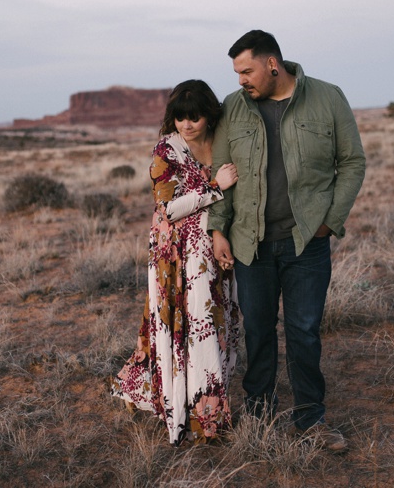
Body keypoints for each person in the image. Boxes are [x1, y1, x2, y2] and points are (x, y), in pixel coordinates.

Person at [209, 30, 366, 451]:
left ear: (272, 64)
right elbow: (222, 174)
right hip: (250, 243)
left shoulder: (327, 97)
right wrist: (218, 228)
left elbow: (352, 161)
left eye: (247, 70)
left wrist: (329, 221)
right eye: (237, 72)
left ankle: (310, 420)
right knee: (258, 331)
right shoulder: (233, 107)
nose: (241, 80)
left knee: (304, 331)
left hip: (306, 244)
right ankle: (259, 414)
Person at [111, 79, 241, 445]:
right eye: (180, 117)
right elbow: (168, 207)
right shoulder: (165, 150)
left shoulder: (223, 140)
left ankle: (203, 395)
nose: (187, 124)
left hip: (211, 247)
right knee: (183, 319)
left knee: (213, 319)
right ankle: (200, 412)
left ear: (209, 114)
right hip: (174, 252)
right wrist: (216, 187)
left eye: (194, 117)